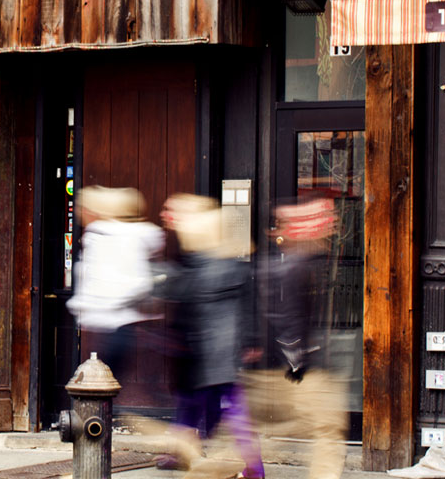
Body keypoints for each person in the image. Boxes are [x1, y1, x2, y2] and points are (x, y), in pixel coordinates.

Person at [155, 194, 264, 479]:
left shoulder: (199, 266)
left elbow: (178, 298)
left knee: (224, 411)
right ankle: (251, 468)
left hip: (206, 355)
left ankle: (251, 468)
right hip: (222, 355)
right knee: (217, 409)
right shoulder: (230, 264)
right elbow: (247, 307)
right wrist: (249, 341)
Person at [244, 195, 346, 479]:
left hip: (274, 368)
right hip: (298, 371)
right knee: (328, 431)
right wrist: (297, 363)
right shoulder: (298, 267)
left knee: (239, 438)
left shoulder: (279, 266)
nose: (331, 232)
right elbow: (289, 319)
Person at [66, 186, 165, 379]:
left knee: (103, 383)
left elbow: (133, 281)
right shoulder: (110, 237)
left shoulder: (107, 239)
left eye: (83, 208)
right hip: (117, 324)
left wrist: (95, 305)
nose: (81, 213)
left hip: (114, 324)